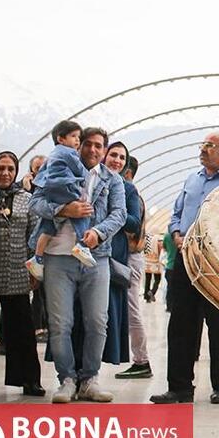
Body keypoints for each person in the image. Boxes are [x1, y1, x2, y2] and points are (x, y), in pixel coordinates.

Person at [30, 126, 125, 404]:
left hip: (97, 258)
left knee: (98, 321)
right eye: (88, 144)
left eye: (99, 145)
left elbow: (120, 214)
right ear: (77, 145)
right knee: (60, 324)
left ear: (104, 150)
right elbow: (36, 202)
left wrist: (98, 233)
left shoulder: (111, 179)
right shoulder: (55, 166)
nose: (93, 150)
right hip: (58, 257)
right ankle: (67, 379)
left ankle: (90, 379)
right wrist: (63, 210)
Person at [150, 132, 219, 405]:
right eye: (203, 145)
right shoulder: (192, 179)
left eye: (210, 146)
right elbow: (176, 212)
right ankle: (179, 387)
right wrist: (176, 231)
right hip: (186, 261)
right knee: (180, 324)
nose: (203, 149)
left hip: (218, 265)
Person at [0, 152, 44, 396]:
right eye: (0, 168)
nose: (5, 173)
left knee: (21, 326)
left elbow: (35, 235)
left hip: (17, 268)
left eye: (10, 169)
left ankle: (28, 379)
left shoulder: (26, 199)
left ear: (16, 171)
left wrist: (34, 270)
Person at [27, 120, 96, 277]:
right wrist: (86, 176)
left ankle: (37, 257)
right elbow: (78, 168)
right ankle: (82, 244)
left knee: (49, 224)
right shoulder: (67, 152)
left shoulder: (53, 154)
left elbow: (42, 175)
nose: (77, 141)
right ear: (61, 138)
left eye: (79, 137)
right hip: (63, 187)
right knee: (81, 211)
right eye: (74, 136)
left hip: (52, 189)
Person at [98, 142, 138, 370]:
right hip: (88, 254)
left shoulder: (128, 189)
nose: (117, 160)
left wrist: (115, 213)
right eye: (113, 155)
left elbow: (135, 223)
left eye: (122, 158)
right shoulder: (90, 180)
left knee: (109, 312)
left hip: (113, 258)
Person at [113, 151, 152, 379]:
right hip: (131, 256)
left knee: (131, 308)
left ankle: (142, 360)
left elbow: (135, 229)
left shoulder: (131, 195)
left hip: (130, 257)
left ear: (127, 172)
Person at [143, 232, 162, 302]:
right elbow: (160, 250)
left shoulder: (147, 238)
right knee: (157, 279)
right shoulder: (158, 239)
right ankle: (152, 292)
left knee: (148, 280)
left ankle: (146, 297)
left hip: (147, 262)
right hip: (156, 262)